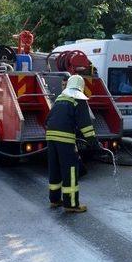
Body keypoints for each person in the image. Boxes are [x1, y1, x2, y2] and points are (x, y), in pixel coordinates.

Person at [45, 75, 96, 213]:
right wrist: (94, 144)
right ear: (81, 87)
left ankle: (54, 200)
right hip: (65, 139)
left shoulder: (60, 99)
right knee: (71, 170)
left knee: (54, 168)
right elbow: (86, 126)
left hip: (50, 137)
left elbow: (48, 119)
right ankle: (71, 204)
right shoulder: (79, 100)